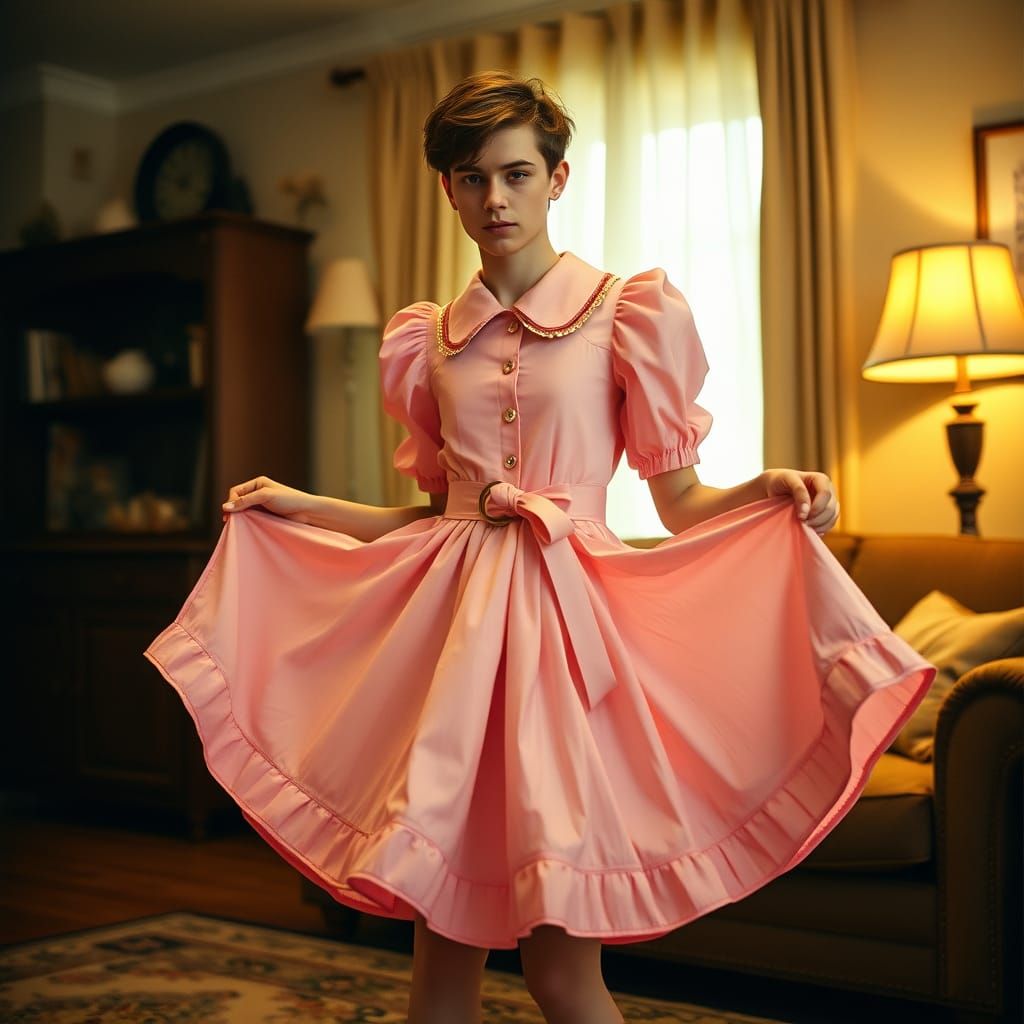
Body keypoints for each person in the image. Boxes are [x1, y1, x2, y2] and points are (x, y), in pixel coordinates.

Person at [144, 71, 935, 1024]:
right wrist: (298, 505)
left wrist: (763, 488)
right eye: (472, 178)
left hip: (569, 654)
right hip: (452, 659)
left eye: (516, 173)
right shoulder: (427, 339)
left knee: (564, 973)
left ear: (557, 179)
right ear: (447, 189)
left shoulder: (628, 311)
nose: (495, 199)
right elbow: (435, 515)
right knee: (439, 973)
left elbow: (679, 500)